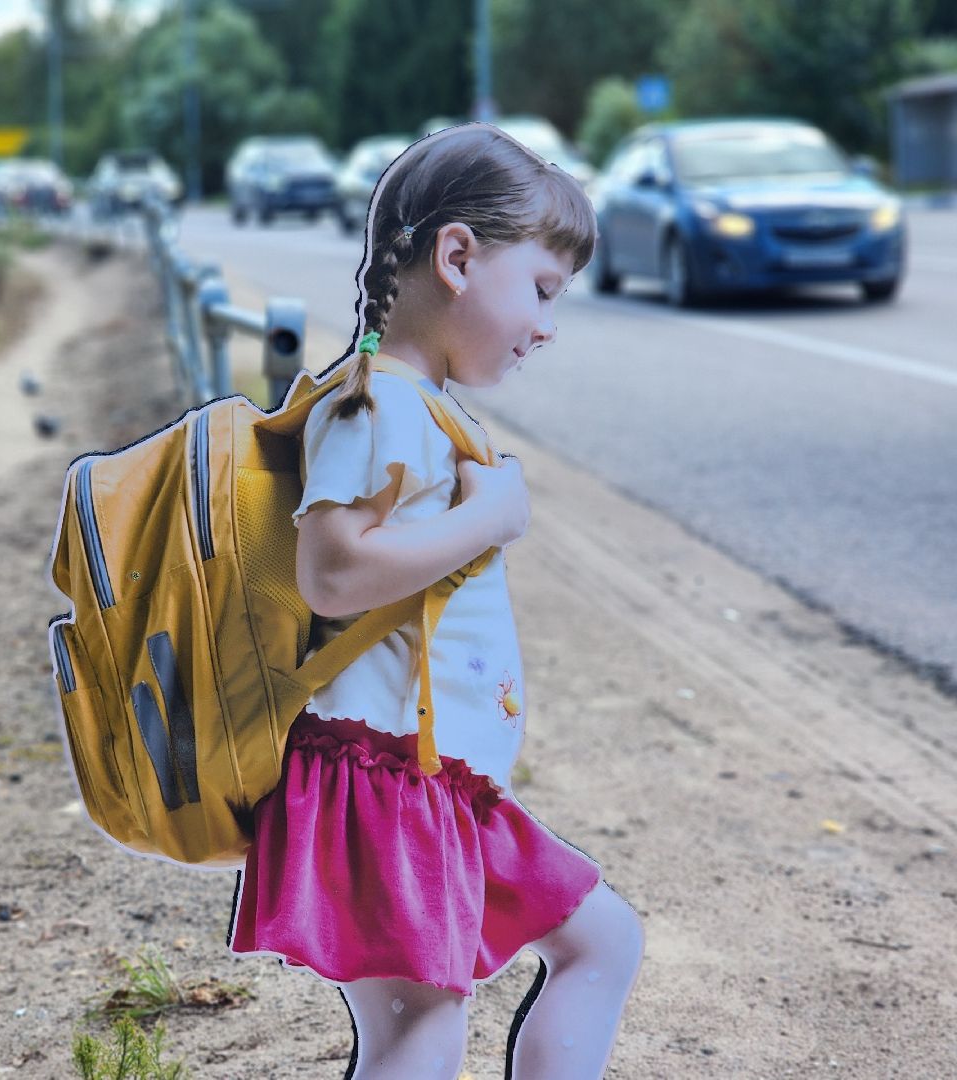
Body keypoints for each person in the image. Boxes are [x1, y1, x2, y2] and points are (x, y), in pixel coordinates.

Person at [227, 123, 645, 1079]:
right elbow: (332, 571)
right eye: (541, 290)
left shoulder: (412, 407)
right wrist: (490, 517)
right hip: (380, 783)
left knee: (598, 943)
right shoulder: (373, 405)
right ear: (457, 255)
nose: (547, 325)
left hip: (430, 782)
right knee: (420, 1030)